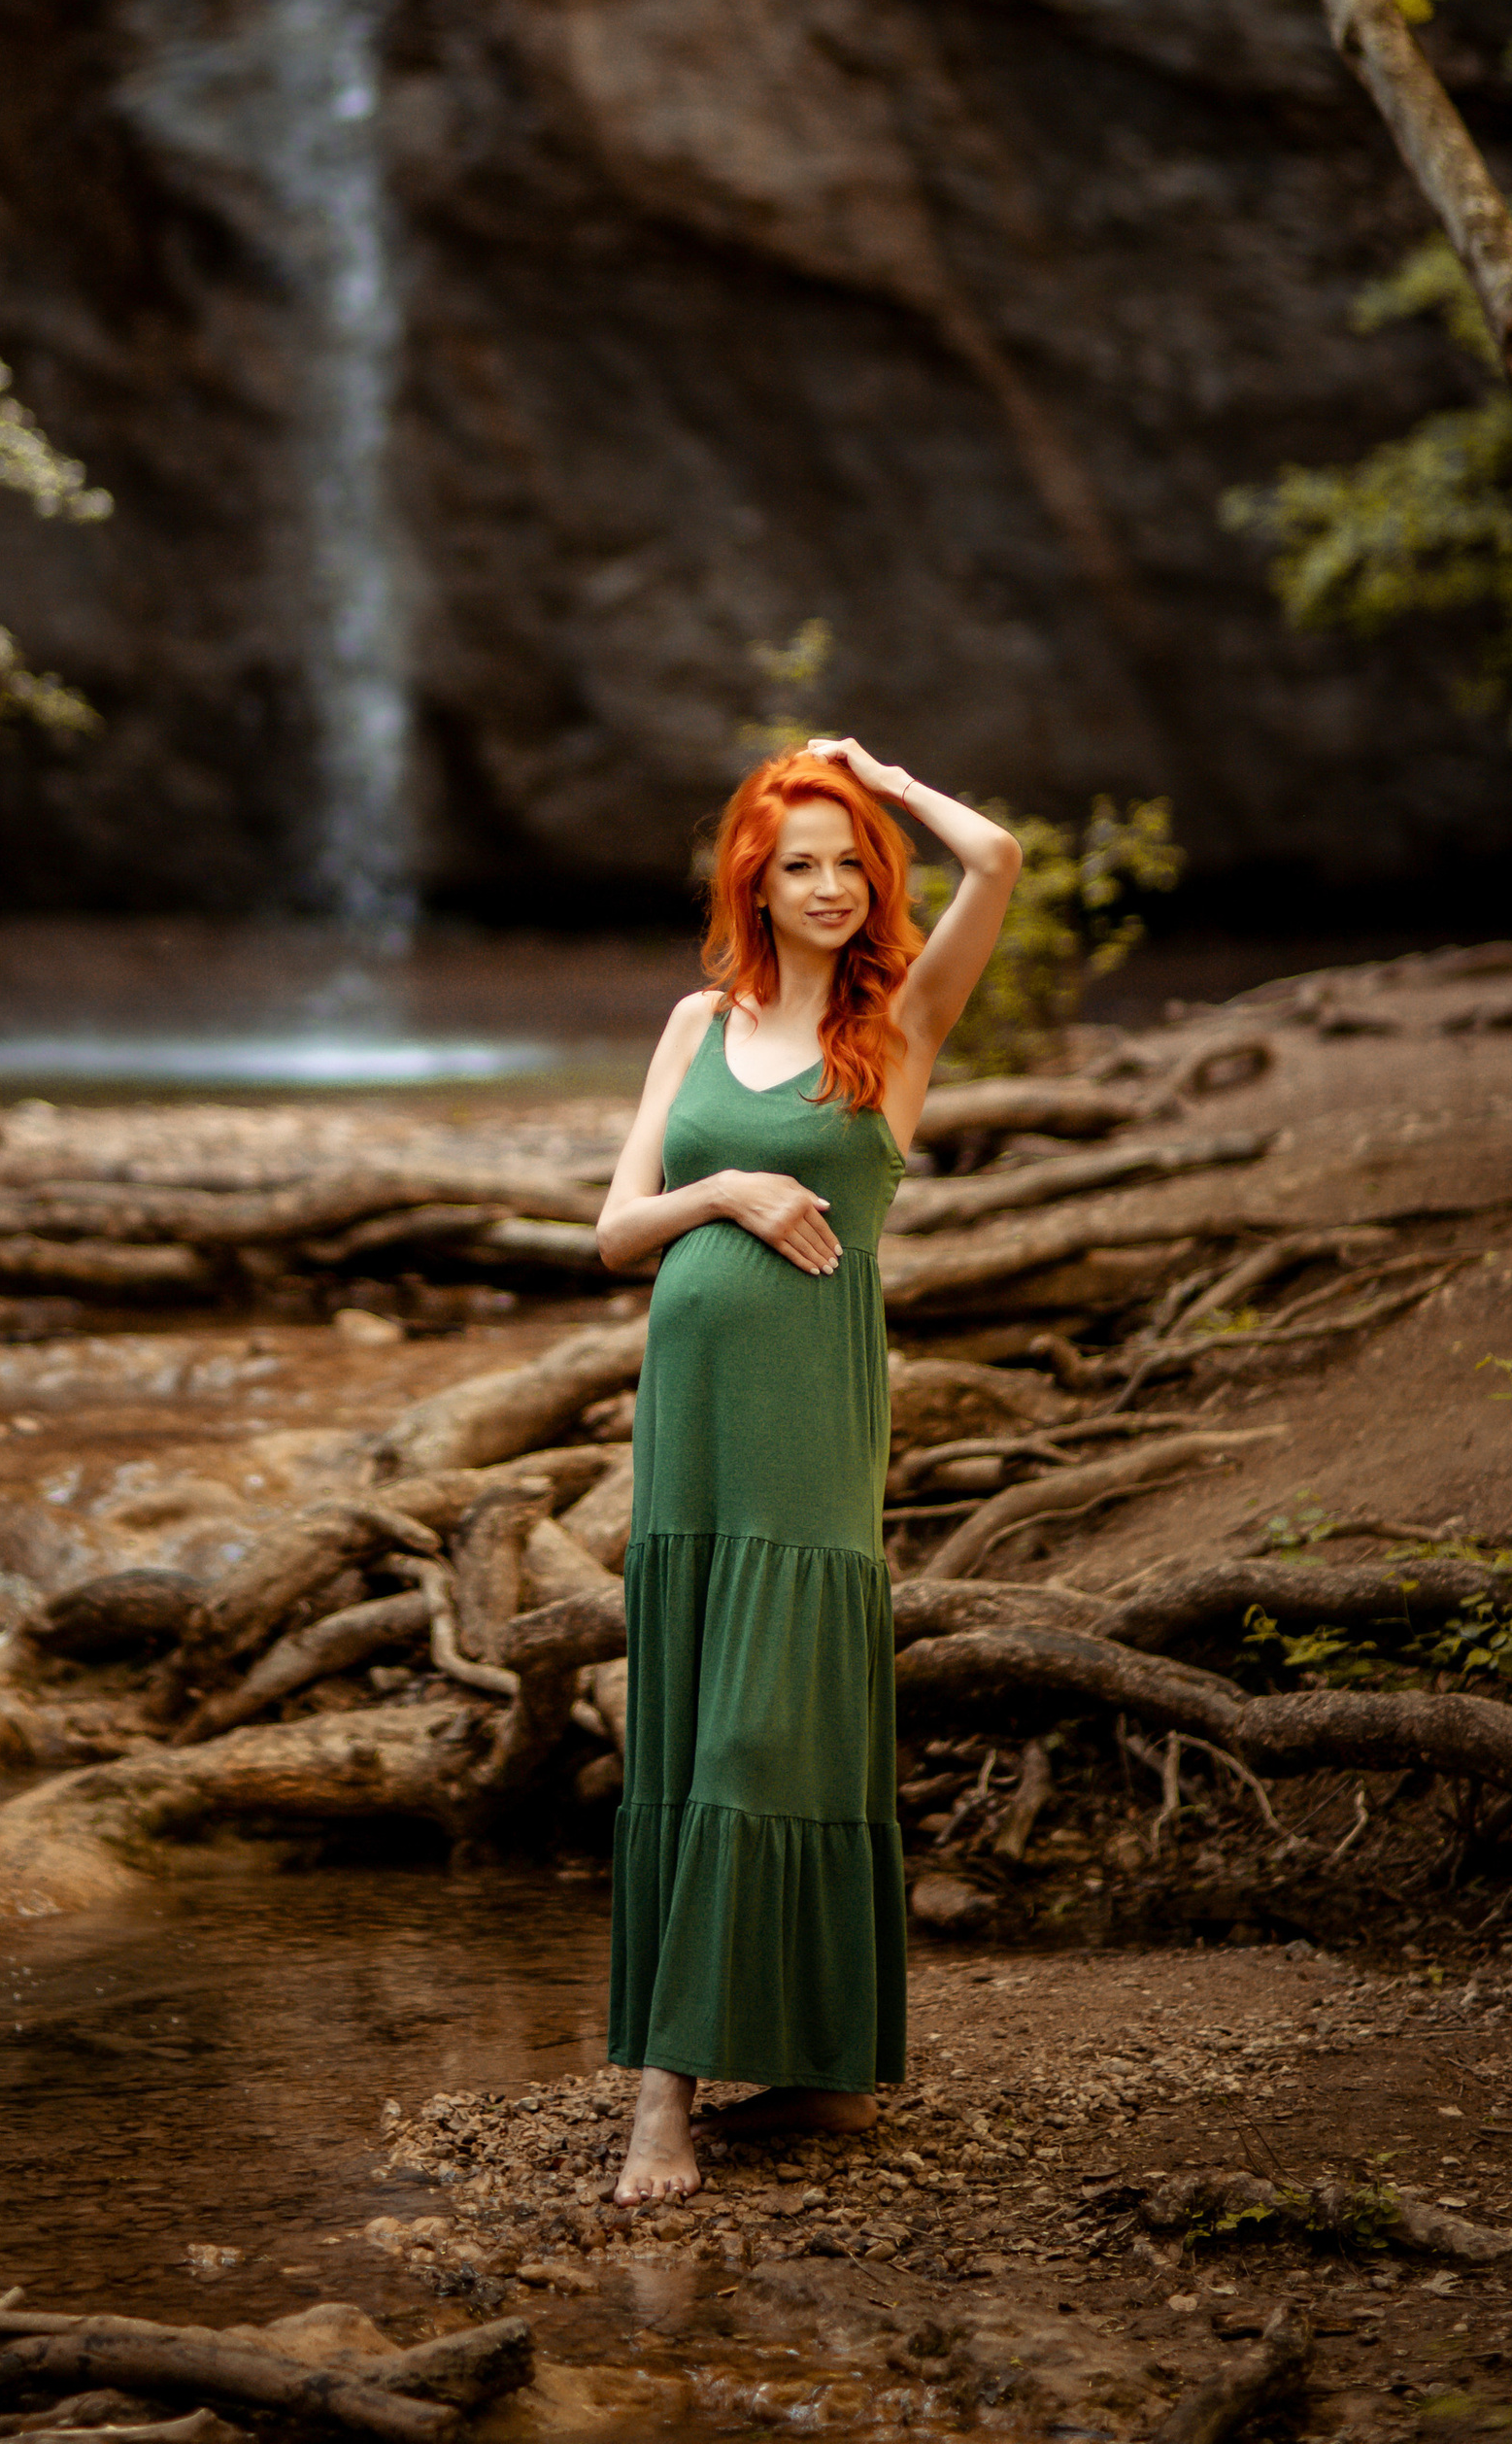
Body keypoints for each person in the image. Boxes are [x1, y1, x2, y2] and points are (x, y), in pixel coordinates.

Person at [595, 732, 1024, 2209]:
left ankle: (685, 2099)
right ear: (755, 884)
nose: (832, 886)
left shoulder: (898, 1023)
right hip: (693, 1425)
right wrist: (727, 1188)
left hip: (810, 1426)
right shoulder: (695, 1023)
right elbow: (615, 1230)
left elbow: (1000, 860)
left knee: (760, 1737)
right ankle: (797, 2077)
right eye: (802, 864)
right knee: (693, 1731)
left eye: (852, 863)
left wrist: (884, 781)